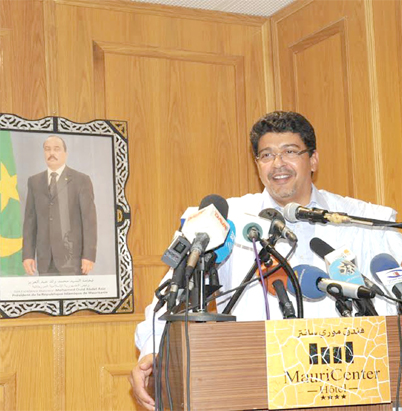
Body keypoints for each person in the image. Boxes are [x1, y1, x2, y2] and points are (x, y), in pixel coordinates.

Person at [130, 111, 402, 410]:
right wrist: (152, 349)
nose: (278, 163)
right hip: (253, 384)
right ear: (257, 164)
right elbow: (173, 293)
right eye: (267, 155)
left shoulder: (361, 220)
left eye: (290, 152)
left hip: (345, 383)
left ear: (313, 160)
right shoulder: (225, 219)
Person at [22, 135, 97, 276]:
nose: (51, 153)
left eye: (56, 149)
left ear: (65, 153)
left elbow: (89, 221)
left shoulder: (81, 180)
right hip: (45, 259)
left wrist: (89, 255)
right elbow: (30, 221)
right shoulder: (34, 182)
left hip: (73, 259)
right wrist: (28, 255)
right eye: (47, 149)